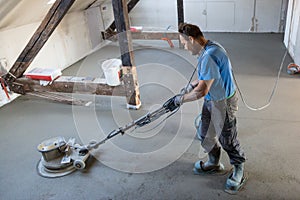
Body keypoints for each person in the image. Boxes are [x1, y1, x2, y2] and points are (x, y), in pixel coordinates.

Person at [171, 23, 246, 194]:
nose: (184, 47)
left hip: (223, 102)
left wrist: (180, 99)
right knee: (204, 133)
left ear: (191, 39)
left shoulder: (209, 56)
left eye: (183, 43)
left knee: (228, 139)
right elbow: (209, 78)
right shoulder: (212, 46)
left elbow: (202, 91)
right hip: (213, 99)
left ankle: (239, 168)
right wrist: (192, 84)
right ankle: (213, 163)